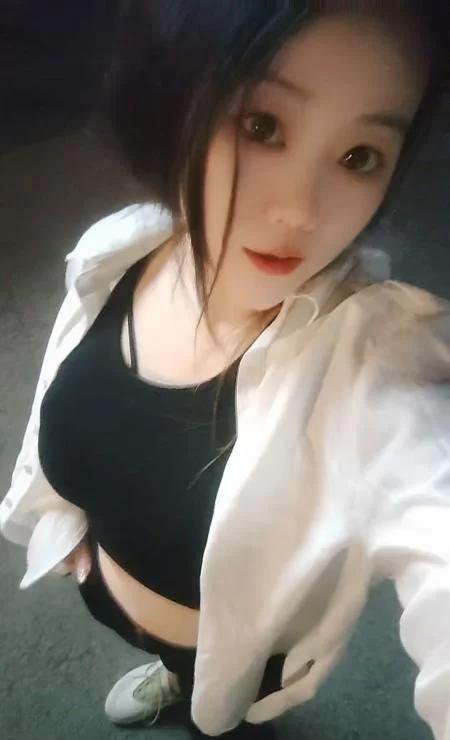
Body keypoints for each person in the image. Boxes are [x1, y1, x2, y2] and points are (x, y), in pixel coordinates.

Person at [1, 0, 450, 737]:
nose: (300, 212)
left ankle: (203, 694)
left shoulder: (379, 362)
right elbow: (70, 407)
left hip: (232, 659)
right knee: (177, 671)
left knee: (221, 718)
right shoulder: (122, 249)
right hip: (101, 587)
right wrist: (67, 521)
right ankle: (172, 674)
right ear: (176, 98)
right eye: (262, 126)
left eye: (359, 157)